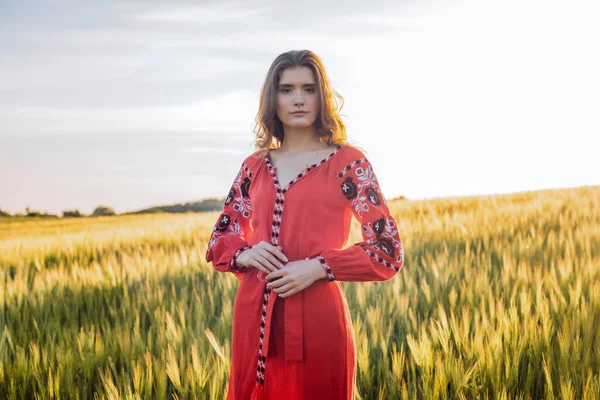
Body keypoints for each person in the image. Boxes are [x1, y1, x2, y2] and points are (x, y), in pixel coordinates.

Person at [205, 49, 404, 400]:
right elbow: (221, 238)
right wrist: (246, 255)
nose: (298, 99)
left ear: (322, 97)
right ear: (273, 98)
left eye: (309, 89)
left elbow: (387, 250)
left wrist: (319, 267)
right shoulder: (254, 165)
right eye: (287, 89)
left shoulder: (349, 163)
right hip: (253, 317)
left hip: (317, 319)